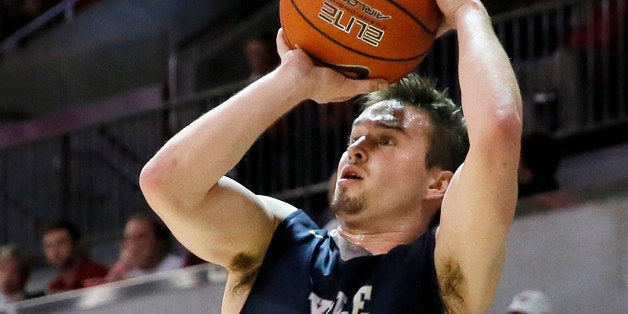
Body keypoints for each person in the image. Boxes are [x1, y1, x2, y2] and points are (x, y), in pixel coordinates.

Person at [139, 0, 522, 312]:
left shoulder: (444, 269)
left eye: (386, 140)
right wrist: (294, 80)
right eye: (355, 137)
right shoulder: (277, 243)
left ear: (438, 183)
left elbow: (498, 131)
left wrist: (466, 10)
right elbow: (166, 183)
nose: (356, 149)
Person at [105, 213, 183, 282]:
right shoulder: (125, 271)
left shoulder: (180, 267)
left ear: (159, 241)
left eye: (141, 237)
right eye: (128, 238)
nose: (133, 244)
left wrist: (135, 283)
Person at [41, 221, 109, 293]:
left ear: (76, 244)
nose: (54, 251)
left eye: (61, 243)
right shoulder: (54, 287)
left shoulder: (97, 273)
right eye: (48, 246)